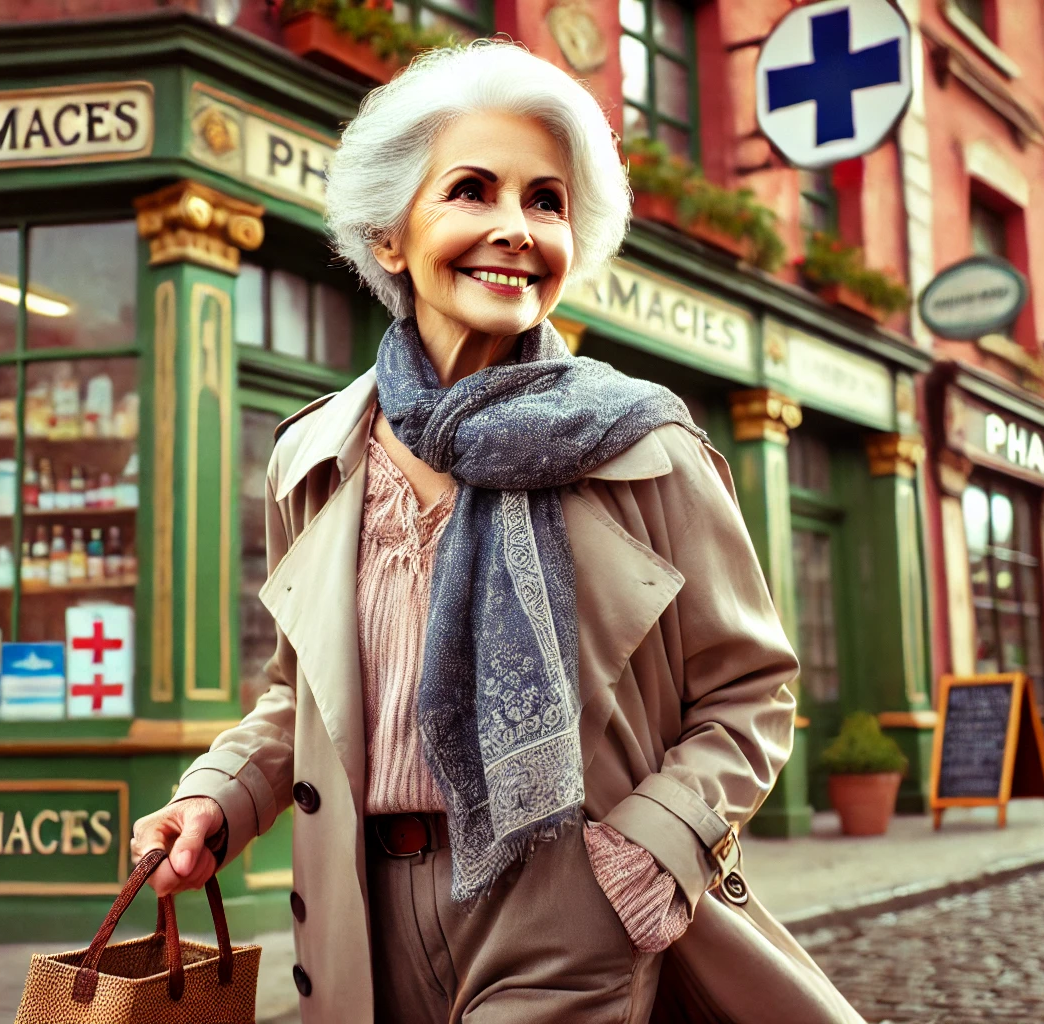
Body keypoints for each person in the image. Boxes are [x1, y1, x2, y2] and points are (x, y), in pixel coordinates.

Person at [131, 41, 862, 1024]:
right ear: (390, 235)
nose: (515, 228)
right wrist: (216, 796)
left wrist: (656, 843)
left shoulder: (645, 445)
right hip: (356, 906)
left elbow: (750, 688)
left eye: (546, 200)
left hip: (566, 893)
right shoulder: (315, 455)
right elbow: (298, 696)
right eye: (471, 191)